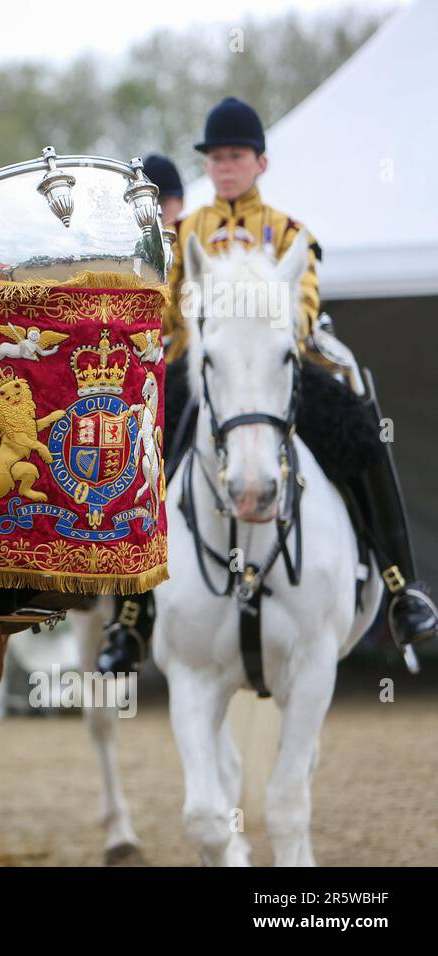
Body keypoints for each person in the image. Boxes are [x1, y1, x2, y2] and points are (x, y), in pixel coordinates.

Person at [95, 98, 436, 673]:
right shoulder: (186, 232)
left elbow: (304, 304)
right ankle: (130, 617)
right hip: (200, 372)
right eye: (217, 157)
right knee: (138, 449)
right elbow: (165, 309)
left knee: (361, 429)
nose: (225, 166)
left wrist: (269, 331)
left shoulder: (289, 231)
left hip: (279, 372)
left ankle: (403, 588)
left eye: (236, 156)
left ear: (261, 163)